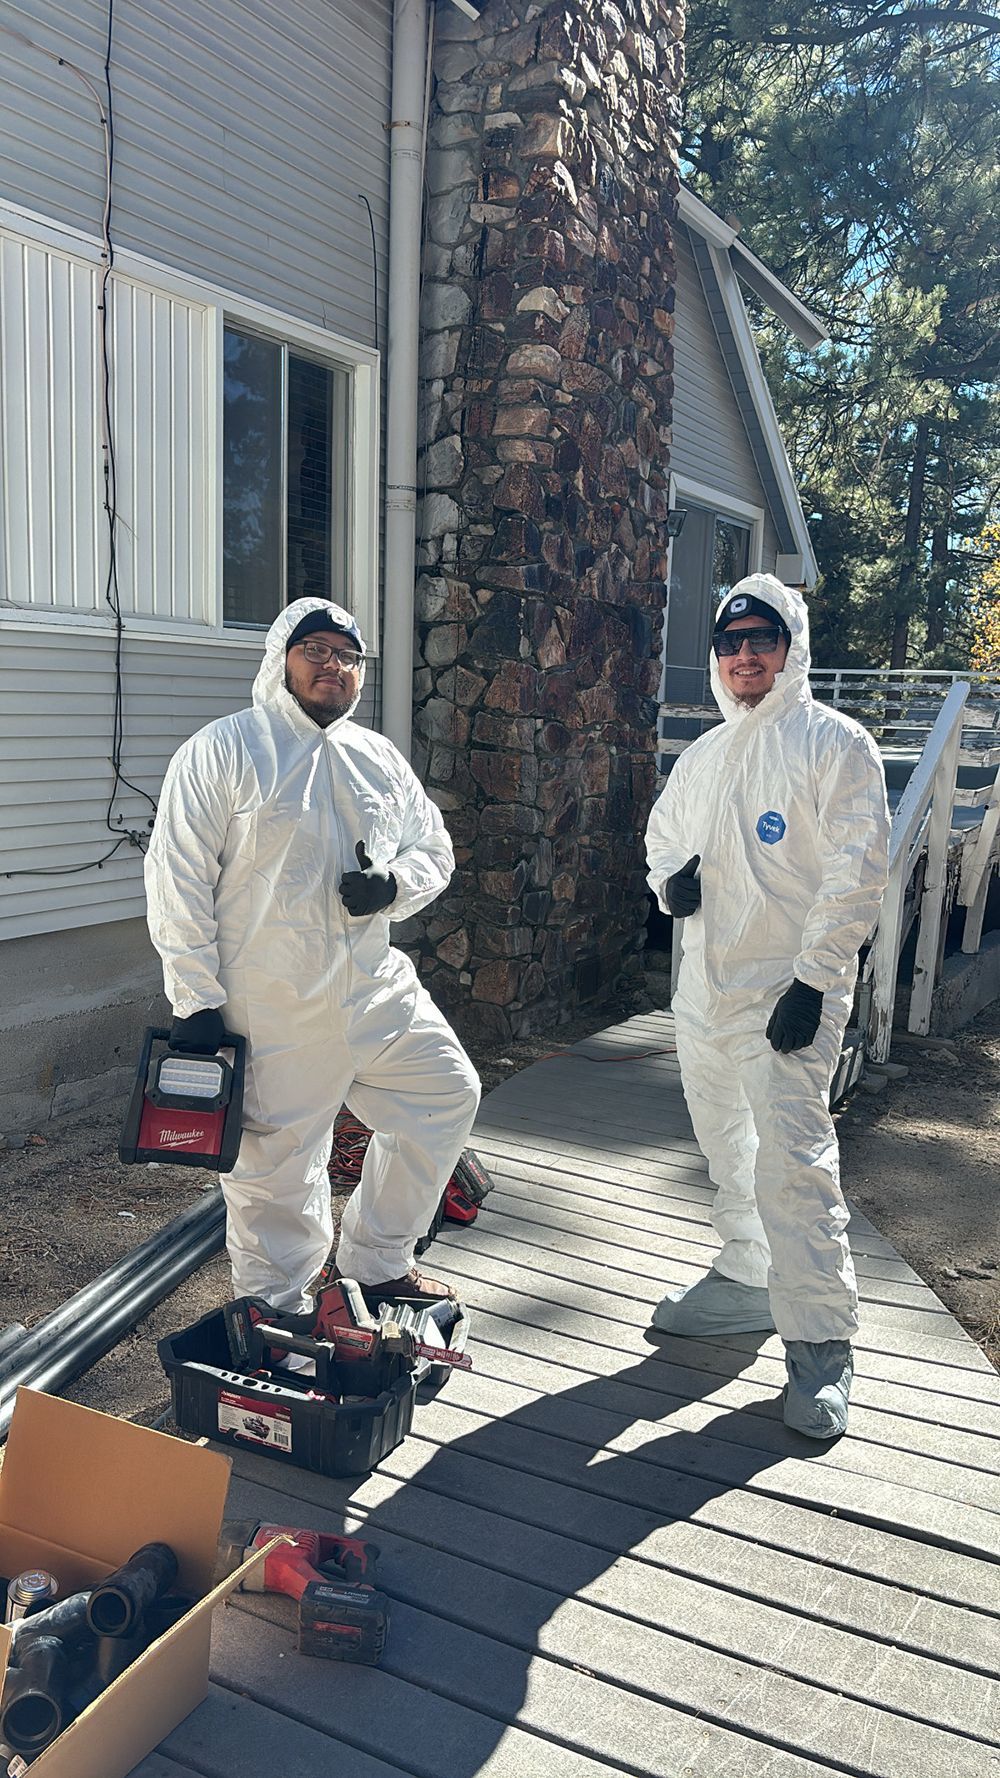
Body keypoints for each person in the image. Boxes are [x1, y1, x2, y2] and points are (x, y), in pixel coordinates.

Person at [145, 596, 481, 1316]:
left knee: (446, 1095)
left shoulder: (377, 758)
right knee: (277, 1170)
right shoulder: (226, 749)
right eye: (317, 650)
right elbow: (177, 878)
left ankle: (378, 1260)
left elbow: (435, 848)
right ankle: (277, 1310)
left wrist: (394, 885)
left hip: (373, 989)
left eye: (348, 656)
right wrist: (195, 998)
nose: (334, 666)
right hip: (272, 1004)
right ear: (281, 660)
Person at [645, 573, 890, 1439]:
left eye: (763, 639)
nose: (746, 655)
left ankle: (822, 1341)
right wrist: (667, 882)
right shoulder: (707, 754)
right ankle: (747, 1277)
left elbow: (857, 867)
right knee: (725, 1147)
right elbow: (666, 835)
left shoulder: (835, 743)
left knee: (793, 1163)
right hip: (705, 990)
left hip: (789, 993)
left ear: (791, 649)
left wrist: (818, 977)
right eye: (731, 642)